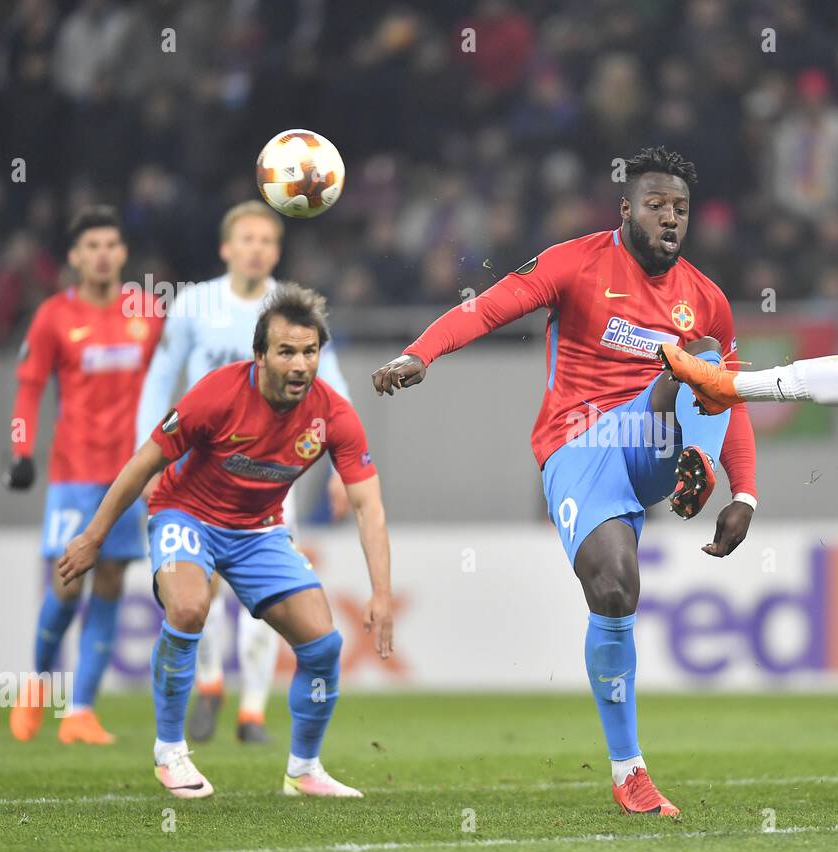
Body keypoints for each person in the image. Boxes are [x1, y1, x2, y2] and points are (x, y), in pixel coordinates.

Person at [372, 147, 758, 817]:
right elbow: (489, 307)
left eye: (681, 210)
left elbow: (735, 397)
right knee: (613, 585)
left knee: (698, 363)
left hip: (651, 435)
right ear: (626, 209)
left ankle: (694, 462)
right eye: (656, 206)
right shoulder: (575, 262)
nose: (670, 219)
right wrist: (420, 352)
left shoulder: (706, 300)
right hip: (578, 444)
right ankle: (629, 771)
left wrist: (744, 491)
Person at [58, 283, 392, 798]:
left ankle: (303, 770)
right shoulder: (217, 393)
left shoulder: (335, 416)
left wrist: (382, 592)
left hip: (258, 531)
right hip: (183, 516)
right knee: (189, 608)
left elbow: (368, 505)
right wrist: (93, 536)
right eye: (286, 352)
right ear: (259, 355)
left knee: (324, 645)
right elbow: (145, 461)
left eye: (309, 352)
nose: (300, 364)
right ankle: (170, 752)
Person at [135, 201, 356, 745]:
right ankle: (210, 683)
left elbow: (333, 385)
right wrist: (146, 459)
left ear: (277, 251)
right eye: (247, 239)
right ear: (226, 248)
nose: (257, 248)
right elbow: (159, 378)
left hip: (274, 474)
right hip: (196, 471)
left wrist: (341, 470)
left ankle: (252, 710)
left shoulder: (293, 311)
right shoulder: (193, 304)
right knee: (198, 589)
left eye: (267, 240)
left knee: (273, 595)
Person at [7, 206, 162, 745]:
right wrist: (21, 450)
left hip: (131, 476)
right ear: (74, 256)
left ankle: (82, 711)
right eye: (90, 245)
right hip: (74, 473)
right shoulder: (53, 315)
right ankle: (37, 686)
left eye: (110, 245)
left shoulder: (147, 311)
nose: (101, 254)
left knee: (114, 581)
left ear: (122, 254)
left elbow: (167, 379)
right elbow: (28, 386)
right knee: (67, 581)